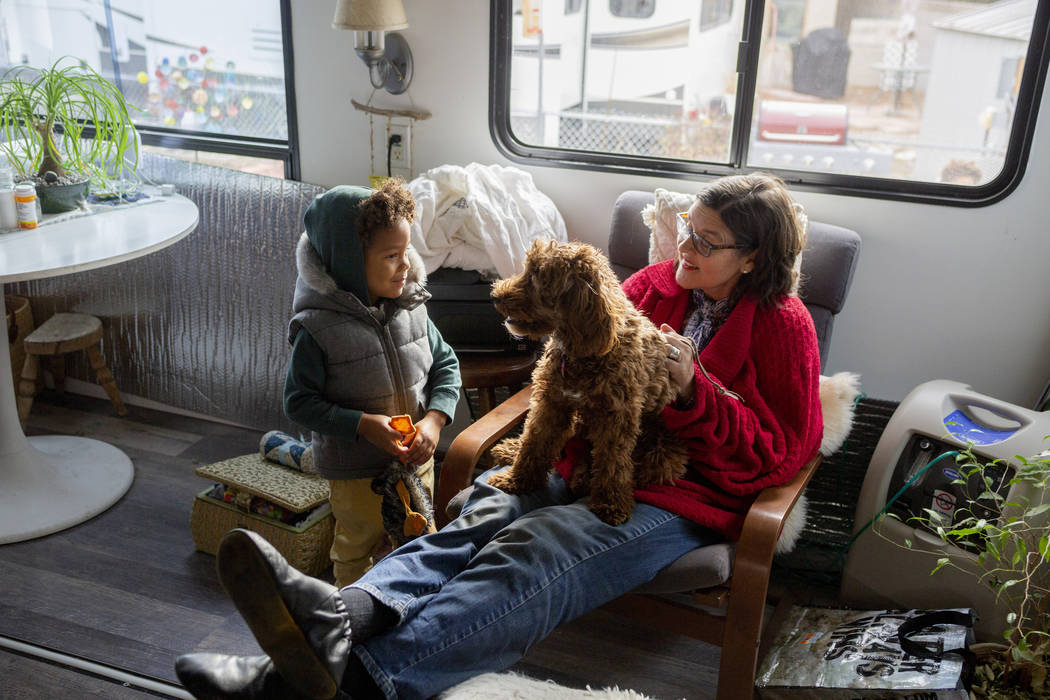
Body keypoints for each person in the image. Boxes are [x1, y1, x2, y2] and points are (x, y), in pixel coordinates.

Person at [174, 172, 824, 700]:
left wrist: (694, 392)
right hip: (584, 456)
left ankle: (338, 684)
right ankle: (344, 618)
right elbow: (576, 360)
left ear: (754, 257)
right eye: (688, 231)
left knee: (538, 546)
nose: (683, 249)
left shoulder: (785, 326)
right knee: (484, 512)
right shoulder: (652, 286)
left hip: (680, 494)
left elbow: (780, 454)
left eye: (707, 243)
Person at [281, 180, 461, 588]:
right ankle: (354, 619)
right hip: (355, 473)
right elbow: (299, 402)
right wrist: (363, 424)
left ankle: (410, 607)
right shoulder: (317, 328)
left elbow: (446, 363)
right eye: (392, 256)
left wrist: (433, 421)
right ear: (349, 260)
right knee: (356, 548)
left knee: (417, 539)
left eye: (406, 252)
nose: (406, 265)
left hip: (417, 461)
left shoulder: (412, 307)